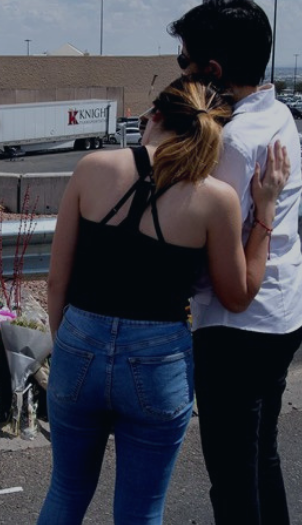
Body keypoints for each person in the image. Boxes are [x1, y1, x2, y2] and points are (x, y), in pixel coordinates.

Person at [36, 75, 290, 525]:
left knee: (66, 492)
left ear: (152, 118)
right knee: (141, 511)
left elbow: (57, 281)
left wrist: (73, 347)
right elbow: (237, 296)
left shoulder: (93, 167)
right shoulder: (217, 199)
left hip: (80, 342)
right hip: (159, 360)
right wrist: (265, 212)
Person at [168, 2, 302, 524]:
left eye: (185, 63)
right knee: (261, 455)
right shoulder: (280, 114)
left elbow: (216, 251)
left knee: (231, 474)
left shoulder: (231, 143)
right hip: (283, 311)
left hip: (235, 326)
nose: (181, 74)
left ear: (213, 71)